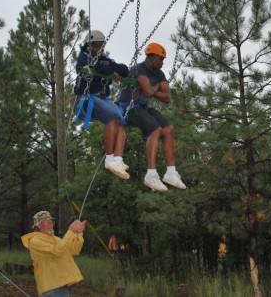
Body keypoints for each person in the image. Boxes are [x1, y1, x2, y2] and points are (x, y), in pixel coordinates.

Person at [118, 42, 186, 192]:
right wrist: (154, 89)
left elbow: (167, 97)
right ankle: (151, 174)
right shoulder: (139, 69)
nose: (162, 63)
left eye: (163, 60)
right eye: (160, 59)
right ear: (151, 57)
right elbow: (148, 92)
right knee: (155, 130)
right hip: (128, 107)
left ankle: (171, 172)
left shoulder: (159, 73)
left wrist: (153, 89)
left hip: (143, 107)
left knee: (168, 129)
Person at [74, 29, 129, 180]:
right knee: (112, 117)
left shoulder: (104, 59)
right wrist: (111, 71)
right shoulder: (83, 57)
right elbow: (98, 67)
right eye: (95, 46)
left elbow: (124, 70)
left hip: (102, 98)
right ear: (88, 45)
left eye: (100, 46)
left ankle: (118, 160)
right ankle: (109, 159)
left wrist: (113, 69)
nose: (98, 49)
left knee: (121, 121)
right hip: (85, 98)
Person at [21, 211, 86, 297]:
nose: (51, 224)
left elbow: (73, 251)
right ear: (38, 225)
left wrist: (78, 234)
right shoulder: (35, 240)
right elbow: (57, 251)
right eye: (47, 221)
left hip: (60, 285)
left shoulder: (55, 239)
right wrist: (70, 231)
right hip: (51, 287)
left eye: (51, 222)